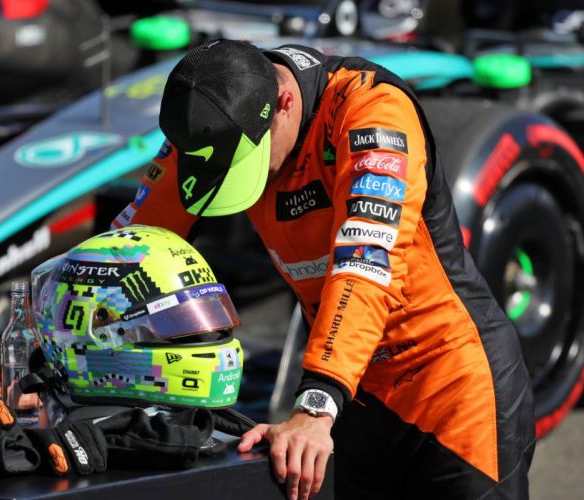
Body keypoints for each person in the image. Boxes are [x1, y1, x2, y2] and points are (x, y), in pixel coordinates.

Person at [109, 39, 536, 499]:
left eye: (248, 164)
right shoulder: (217, 114)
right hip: (355, 396)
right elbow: (126, 247)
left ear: (283, 103)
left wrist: (315, 406)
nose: (253, 181)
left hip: (449, 388)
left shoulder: (373, 111)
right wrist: (55, 351)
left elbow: (364, 265)